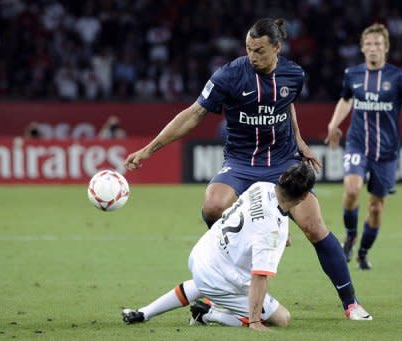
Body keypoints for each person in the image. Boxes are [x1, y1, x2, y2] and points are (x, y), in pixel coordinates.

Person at [124, 18, 371, 320]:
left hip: (282, 162)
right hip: (241, 162)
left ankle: (351, 303)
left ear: (277, 48)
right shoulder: (228, 75)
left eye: (259, 51)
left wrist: (300, 141)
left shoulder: (294, 74)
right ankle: (229, 277)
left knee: (314, 226)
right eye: (248, 49)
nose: (252, 56)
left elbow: (287, 104)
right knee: (213, 206)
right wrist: (149, 150)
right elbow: (192, 115)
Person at [122, 164, 315, 331]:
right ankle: (208, 314)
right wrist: (255, 321)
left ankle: (143, 313)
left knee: (203, 281)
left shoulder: (261, 187)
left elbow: (258, 218)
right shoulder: (272, 232)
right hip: (219, 278)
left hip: (203, 253)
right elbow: (259, 276)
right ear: (305, 196)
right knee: (282, 318)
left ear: (280, 178)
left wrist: (278, 236)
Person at [325, 23, 402, 270]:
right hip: (358, 144)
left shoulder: (398, 76)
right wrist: (333, 124)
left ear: (386, 48)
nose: (372, 48)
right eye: (368, 44)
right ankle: (350, 235)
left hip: (387, 152)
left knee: (376, 208)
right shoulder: (352, 74)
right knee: (351, 189)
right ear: (361, 48)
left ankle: (363, 253)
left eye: (377, 44)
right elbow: (346, 100)